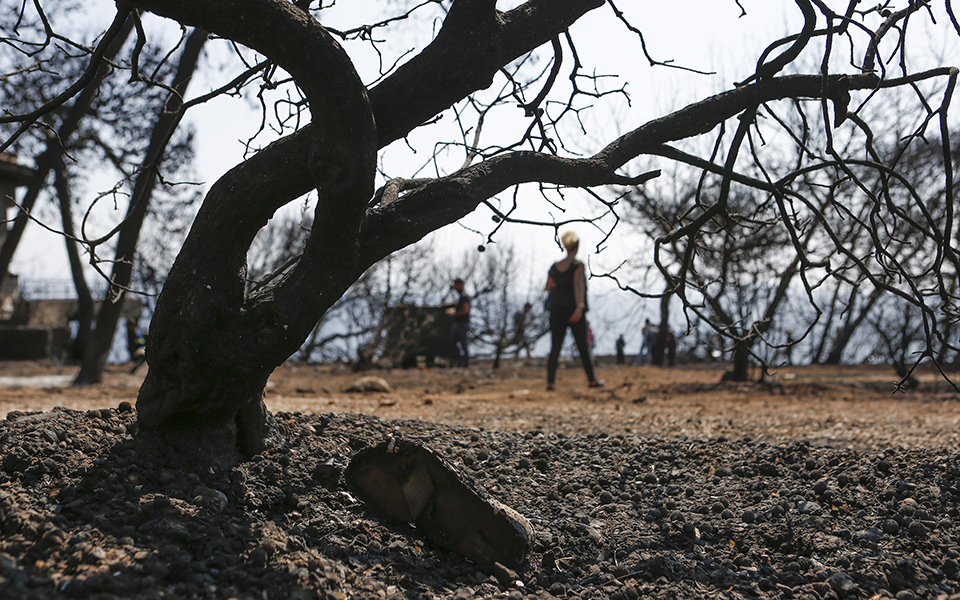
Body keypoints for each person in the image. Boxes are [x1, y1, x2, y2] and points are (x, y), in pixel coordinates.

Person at [544, 230, 603, 390]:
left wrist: (559, 284)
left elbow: (548, 286)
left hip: (556, 309)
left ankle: (551, 383)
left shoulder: (555, 266)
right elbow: (578, 285)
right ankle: (592, 380)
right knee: (583, 346)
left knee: (555, 346)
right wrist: (580, 307)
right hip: (573, 309)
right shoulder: (577, 265)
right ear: (576, 246)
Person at [445, 278, 470, 367]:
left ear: (460, 285)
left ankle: (465, 362)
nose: (454, 286)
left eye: (456, 284)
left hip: (463, 324)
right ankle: (461, 360)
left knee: (463, 343)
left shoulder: (464, 297)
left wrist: (454, 314)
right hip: (458, 324)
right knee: (454, 342)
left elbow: (465, 310)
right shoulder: (460, 296)